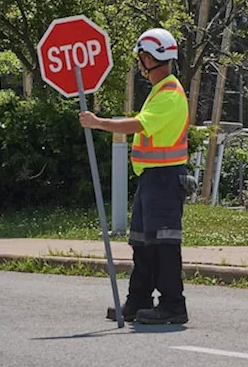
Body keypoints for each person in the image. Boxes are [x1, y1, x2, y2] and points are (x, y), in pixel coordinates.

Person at [80, 27, 192, 325]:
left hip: (166, 180)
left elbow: (139, 126)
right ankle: (138, 301)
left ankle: (173, 306)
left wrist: (98, 123)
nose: (140, 63)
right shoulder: (160, 92)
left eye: (141, 57)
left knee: (164, 245)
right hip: (152, 179)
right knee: (142, 243)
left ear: (150, 58)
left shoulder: (170, 93)